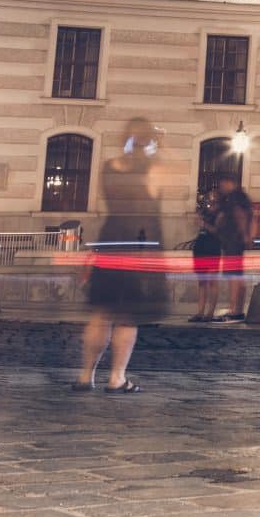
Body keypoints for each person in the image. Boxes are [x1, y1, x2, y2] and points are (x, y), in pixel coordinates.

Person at [77, 121, 166, 390]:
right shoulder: (152, 169)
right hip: (137, 243)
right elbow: (151, 201)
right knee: (127, 315)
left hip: (109, 239)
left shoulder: (109, 167)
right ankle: (117, 378)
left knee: (102, 313)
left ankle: (85, 376)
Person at [209, 166, 255, 322]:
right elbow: (250, 215)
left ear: (229, 182)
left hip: (233, 240)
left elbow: (240, 215)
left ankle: (234, 309)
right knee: (237, 276)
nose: (221, 186)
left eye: (222, 183)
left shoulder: (234, 197)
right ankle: (238, 309)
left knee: (233, 276)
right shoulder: (240, 196)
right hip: (234, 240)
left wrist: (244, 235)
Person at [189, 187, 223, 322]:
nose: (211, 201)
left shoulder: (221, 214)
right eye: (209, 198)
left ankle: (210, 313)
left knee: (212, 282)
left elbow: (218, 231)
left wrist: (205, 224)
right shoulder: (204, 212)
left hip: (213, 248)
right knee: (201, 282)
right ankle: (200, 312)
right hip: (200, 247)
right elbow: (198, 226)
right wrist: (198, 220)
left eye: (214, 198)